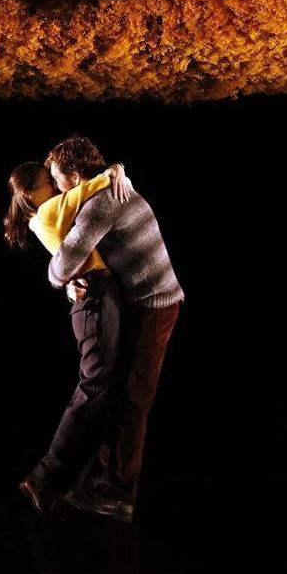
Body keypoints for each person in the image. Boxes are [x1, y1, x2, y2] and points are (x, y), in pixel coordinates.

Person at [44, 134, 184, 523]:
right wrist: (117, 167)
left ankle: (119, 492)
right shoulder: (112, 183)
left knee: (134, 397)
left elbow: (64, 261)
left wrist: (58, 280)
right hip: (149, 302)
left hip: (156, 304)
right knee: (122, 391)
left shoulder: (99, 203)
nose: (56, 189)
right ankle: (106, 479)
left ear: (74, 176)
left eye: (57, 180)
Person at [3, 159, 132, 515]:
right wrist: (113, 171)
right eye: (48, 181)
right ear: (31, 192)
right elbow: (85, 189)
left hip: (93, 293)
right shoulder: (45, 211)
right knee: (93, 386)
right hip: (93, 297)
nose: (55, 186)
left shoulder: (44, 215)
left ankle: (77, 477)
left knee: (101, 387)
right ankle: (44, 477)